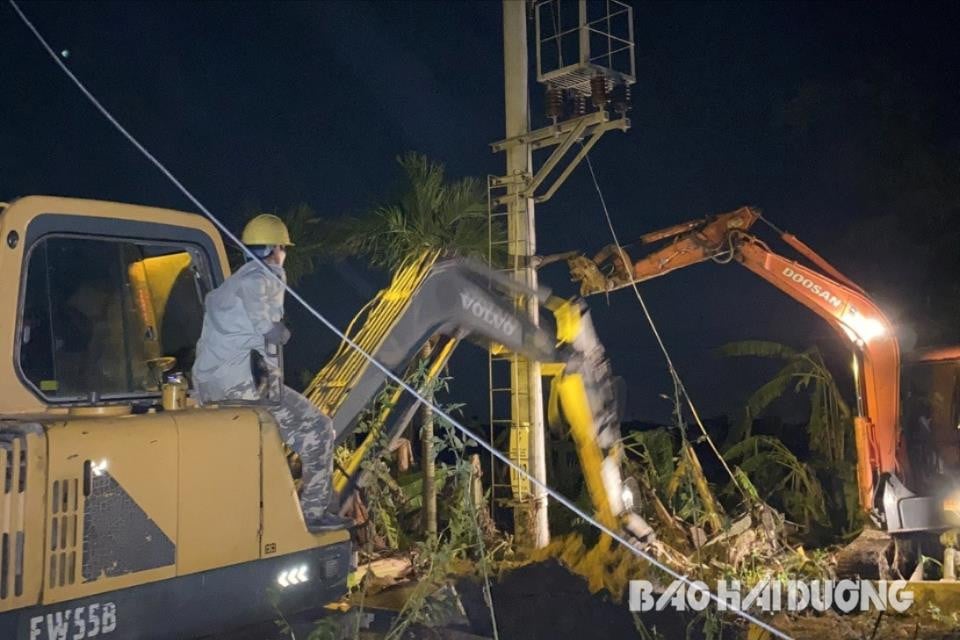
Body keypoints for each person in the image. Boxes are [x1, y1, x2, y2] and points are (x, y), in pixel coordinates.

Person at [192, 213, 349, 531]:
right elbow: (267, 333)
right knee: (318, 428)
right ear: (274, 249)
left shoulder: (232, 284)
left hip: (210, 388)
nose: (284, 255)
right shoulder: (265, 277)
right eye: (283, 249)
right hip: (242, 388)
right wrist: (279, 338)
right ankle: (313, 513)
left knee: (274, 436)